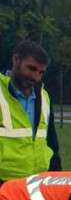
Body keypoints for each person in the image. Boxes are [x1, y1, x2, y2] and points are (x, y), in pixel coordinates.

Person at [0, 39, 61, 184]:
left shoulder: (44, 97)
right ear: (16, 60)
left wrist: (57, 182)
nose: (36, 77)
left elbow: (51, 144)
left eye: (41, 72)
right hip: (5, 188)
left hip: (38, 185)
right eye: (31, 68)